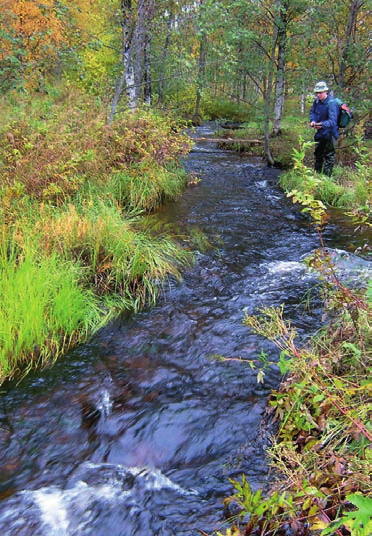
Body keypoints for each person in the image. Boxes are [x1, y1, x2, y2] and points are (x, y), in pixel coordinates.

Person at [309, 81, 339, 176]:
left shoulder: (332, 103)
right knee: (318, 154)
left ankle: (326, 179)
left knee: (329, 156)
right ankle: (316, 175)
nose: (318, 94)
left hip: (330, 133)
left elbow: (332, 121)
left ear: (326, 91)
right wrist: (313, 121)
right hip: (320, 133)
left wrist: (321, 124)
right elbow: (312, 112)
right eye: (317, 93)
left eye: (320, 92)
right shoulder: (316, 101)